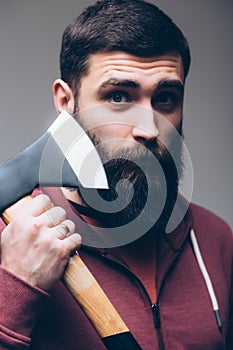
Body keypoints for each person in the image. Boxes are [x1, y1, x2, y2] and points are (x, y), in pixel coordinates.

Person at [0, 0, 232, 349]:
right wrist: (15, 287)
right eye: (119, 96)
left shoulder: (214, 240)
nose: (149, 129)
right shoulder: (12, 240)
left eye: (166, 98)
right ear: (66, 102)